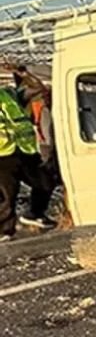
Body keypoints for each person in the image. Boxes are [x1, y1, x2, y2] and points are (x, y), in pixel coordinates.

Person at [0, 71, 50, 240]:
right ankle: (5, 232)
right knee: (7, 197)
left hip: (25, 151)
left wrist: (24, 73)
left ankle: (35, 214)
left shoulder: (9, 94)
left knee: (45, 182)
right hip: (3, 156)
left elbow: (38, 87)